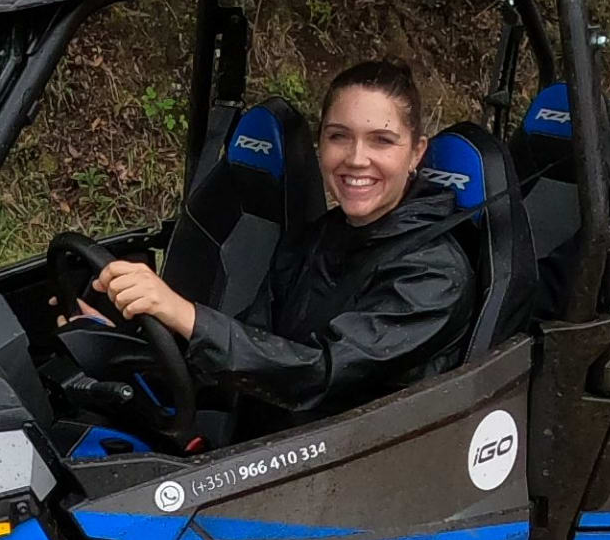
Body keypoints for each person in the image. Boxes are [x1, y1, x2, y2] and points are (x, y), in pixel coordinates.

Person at [87, 60, 473, 428]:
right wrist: (125, 348)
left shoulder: (434, 275)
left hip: (353, 458)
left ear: (416, 153)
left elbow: (320, 372)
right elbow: (257, 343)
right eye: (339, 136)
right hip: (267, 441)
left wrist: (187, 315)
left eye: (382, 141)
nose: (357, 159)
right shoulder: (321, 236)